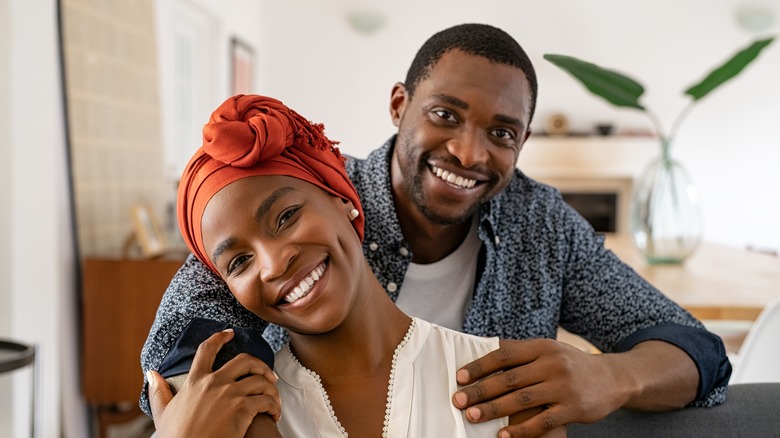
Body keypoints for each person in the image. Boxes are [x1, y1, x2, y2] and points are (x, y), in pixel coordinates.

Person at [141, 23, 731, 437]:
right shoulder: (300, 203)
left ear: (522, 143)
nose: (470, 152)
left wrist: (614, 375)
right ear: (400, 105)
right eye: (445, 115)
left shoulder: (542, 226)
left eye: (502, 133)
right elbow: (177, 352)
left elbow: (698, 352)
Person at [145, 94, 565, 437]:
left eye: (287, 216)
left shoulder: (506, 390)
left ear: (343, 199)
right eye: (239, 261)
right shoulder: (224, 418)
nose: (274, 264)